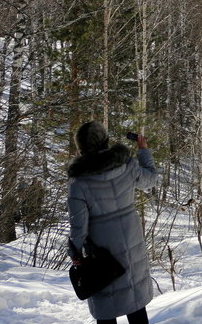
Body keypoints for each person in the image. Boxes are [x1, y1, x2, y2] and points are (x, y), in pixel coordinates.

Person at [67, 121, 158, 324]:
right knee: (135, 305)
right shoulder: (127, 166)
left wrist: (75, 253)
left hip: (101, 254)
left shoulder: (78, 183)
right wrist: (143, 151)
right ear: (105, 141)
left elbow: (78, 226)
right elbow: (151, 179)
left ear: (81, 148)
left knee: (106, 308)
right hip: (131, 242)